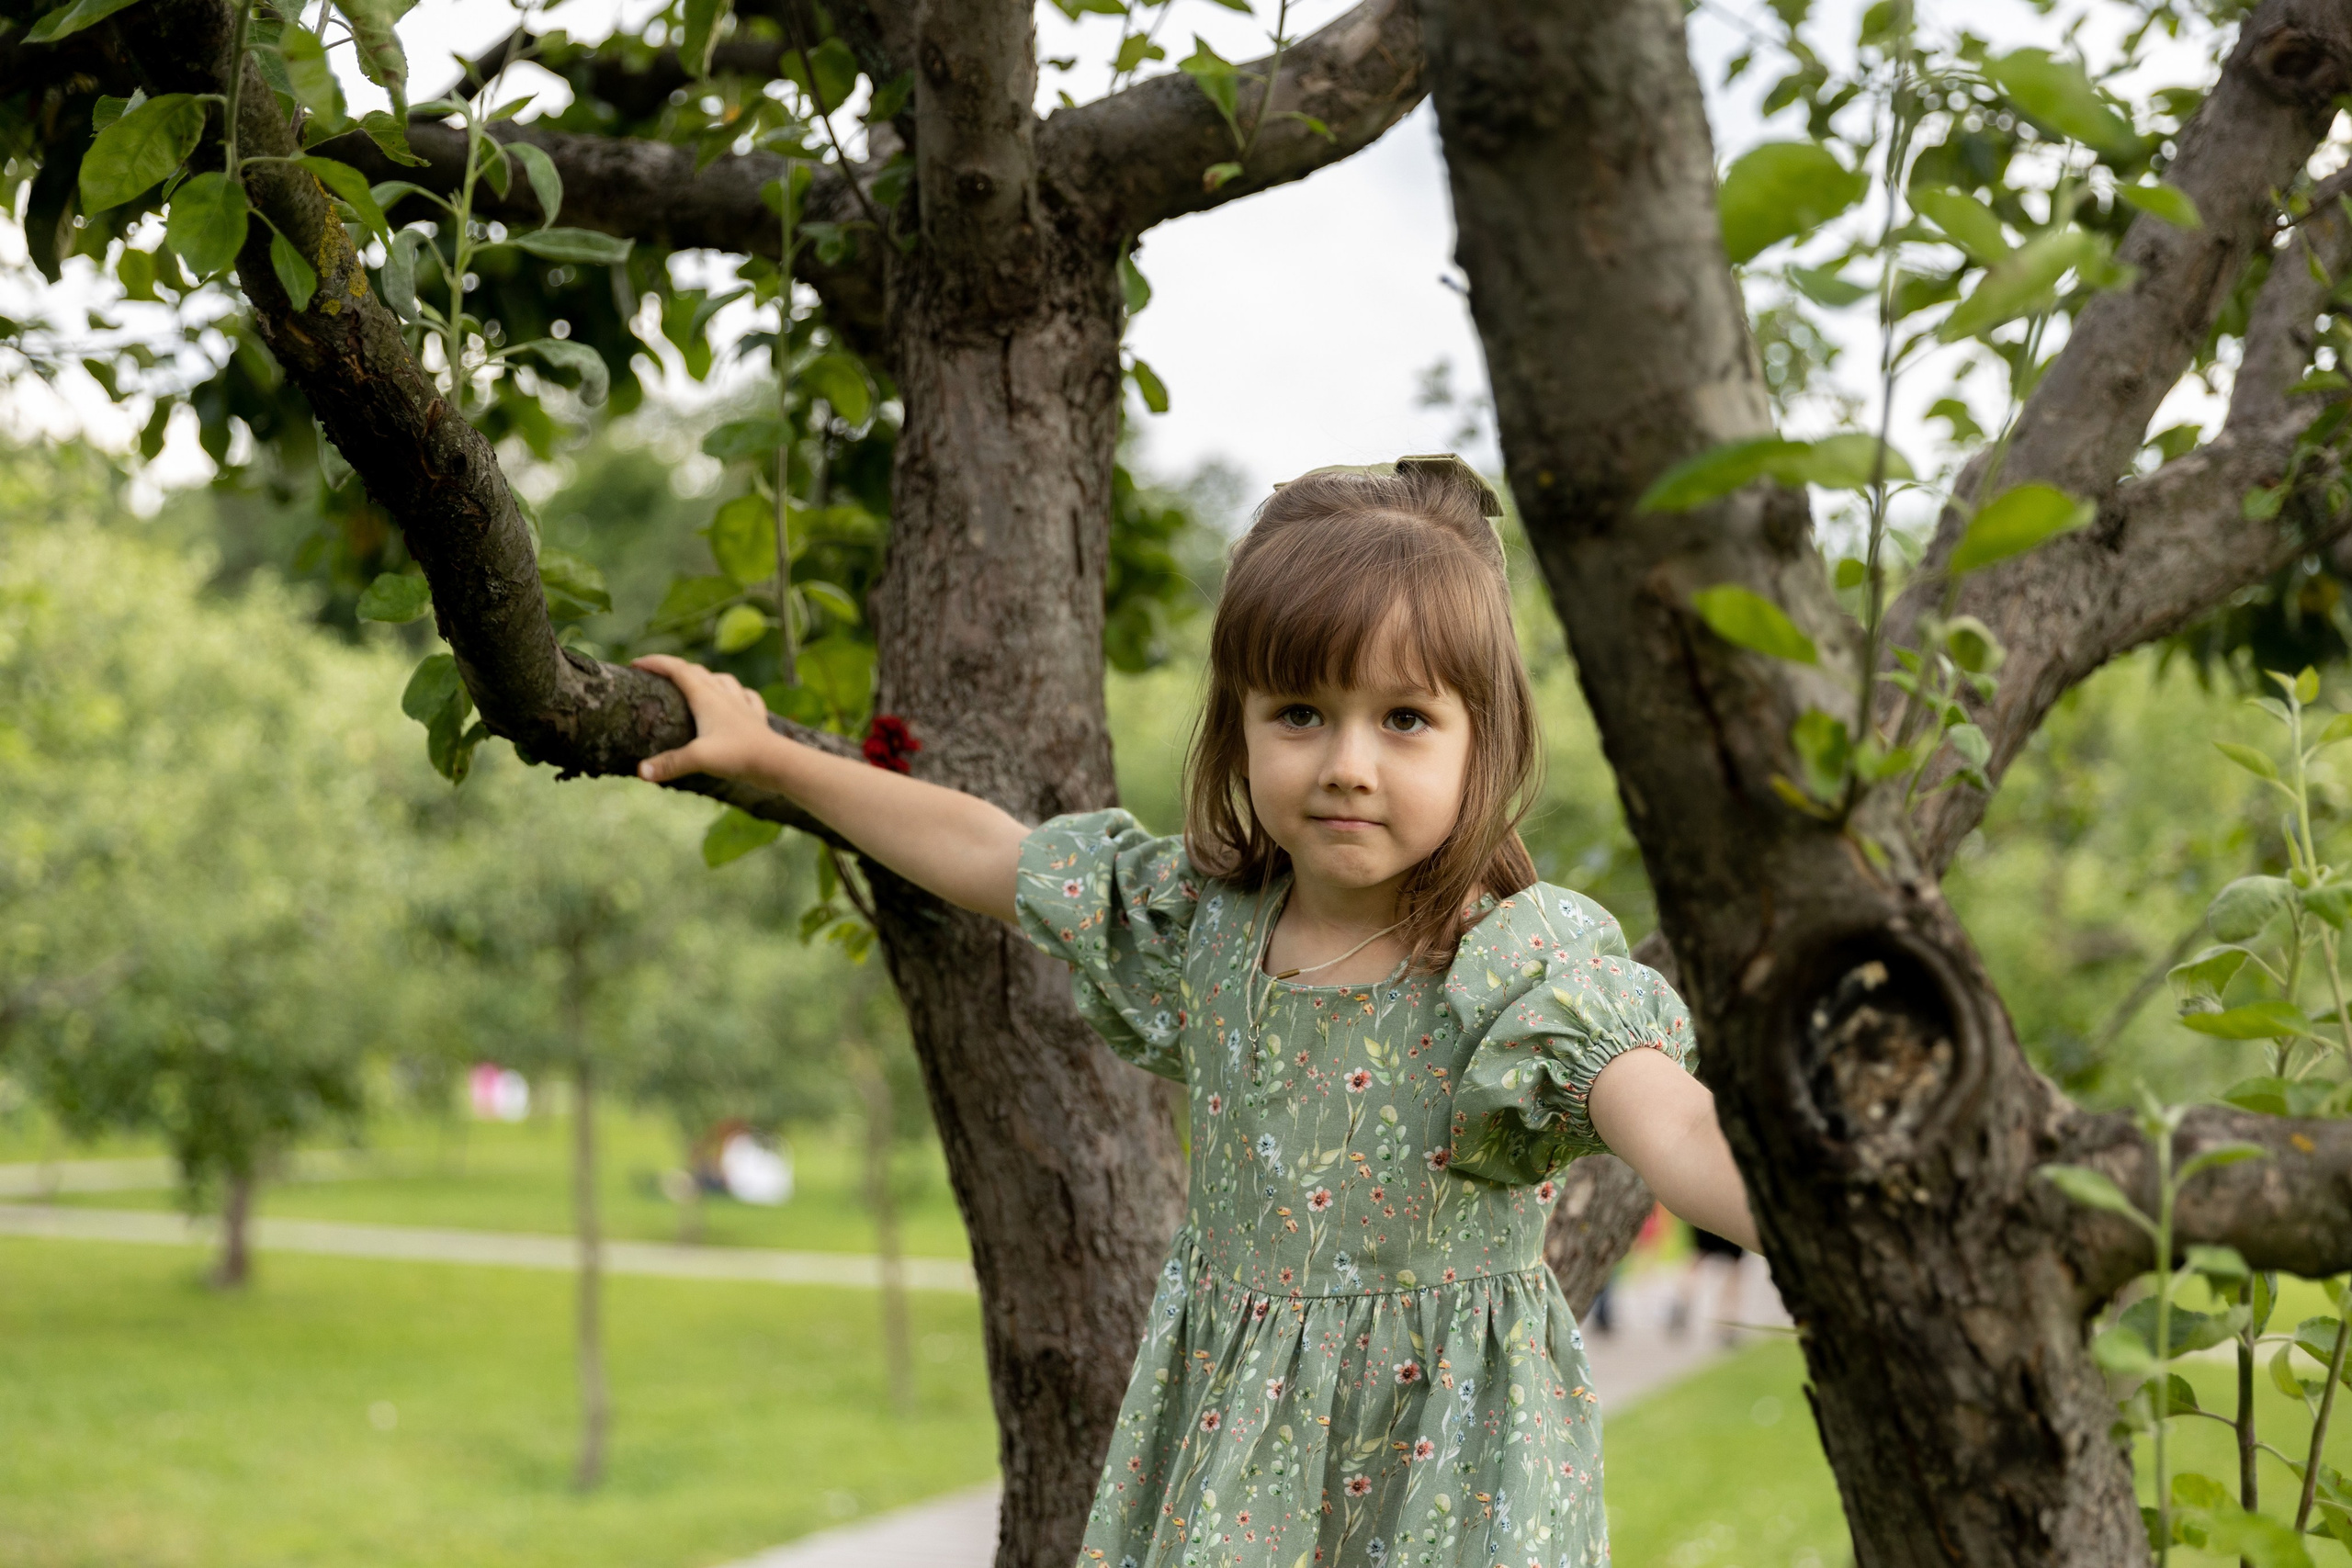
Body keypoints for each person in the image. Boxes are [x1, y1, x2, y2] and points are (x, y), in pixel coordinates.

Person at [631, 456, 1758, 1568]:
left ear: (1486, 740)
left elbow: (1676, 1125)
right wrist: (775, 758)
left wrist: (1829, 1216)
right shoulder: (1207, 928)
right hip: (1235, 1456)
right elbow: (991, 855)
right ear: (1240, 725)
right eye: (1301, 713)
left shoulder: (1520, 968)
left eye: (1406, 718)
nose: (1347, 765)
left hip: (1453, 1473)